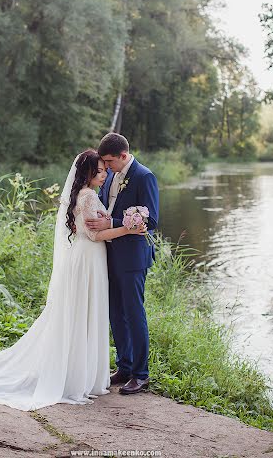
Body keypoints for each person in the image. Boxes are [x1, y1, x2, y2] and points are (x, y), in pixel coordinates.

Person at [0, 150, 147, 411]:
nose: (105, 173)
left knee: (81, 313)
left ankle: (80, 371)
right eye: (100, 170)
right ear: (88, 172)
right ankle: (76, 375)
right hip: (87, 259)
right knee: (82, 313)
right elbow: (96, 236)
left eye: (106, 169)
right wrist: (128, 228)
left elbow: (100, 225)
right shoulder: (87, 196)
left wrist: (115, 222)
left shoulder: (86, 194)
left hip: (88, 259)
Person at [86, 133, 159, 395]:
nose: (104, 167)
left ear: (123, 156)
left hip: (132, 258)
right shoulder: (110, 177)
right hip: (108, 254)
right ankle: (125, 366)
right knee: (115, 313)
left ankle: (141, 374)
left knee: (133, 313)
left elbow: (151, 221)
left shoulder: (143, 176)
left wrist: (113, 224)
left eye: (108, 161)